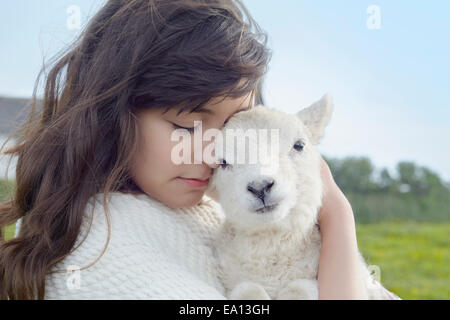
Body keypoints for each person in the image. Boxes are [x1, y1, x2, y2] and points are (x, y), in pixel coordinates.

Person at [0, 0, 394, 300]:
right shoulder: (95, 245)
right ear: (113, 114)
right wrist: (338, 214)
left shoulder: (208, 209)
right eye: (187, 126)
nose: (213, 154)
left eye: (232, 127)